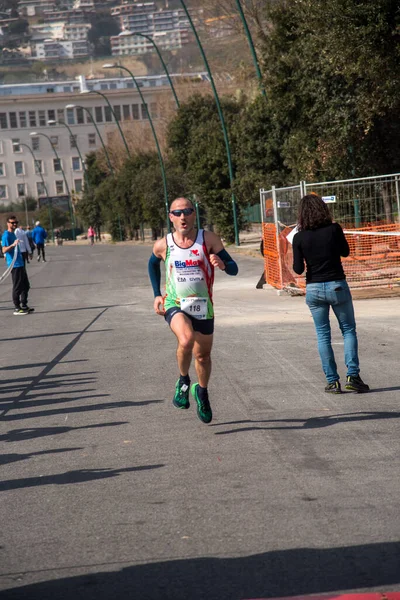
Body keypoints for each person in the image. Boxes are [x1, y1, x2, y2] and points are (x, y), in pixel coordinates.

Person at [148, 197, 239, 424]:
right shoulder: (163, 244)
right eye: (177, 213)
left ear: (193, 214)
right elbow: (152, 265)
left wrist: (222, 263)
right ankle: (183, 380)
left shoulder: (207, 239)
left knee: (202, 355)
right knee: (186, 339)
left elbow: (234, 269)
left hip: (203, 306)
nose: (183, 217)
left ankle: (202, 392)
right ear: (170, 217)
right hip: (175, 304)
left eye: (187, 211)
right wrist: (157, 294)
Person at [292, 194, 369, 394]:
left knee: (323, 336)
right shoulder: (334, 229)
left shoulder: (299, 237)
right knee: (348, 331)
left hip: (314, 289)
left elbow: (298, 269)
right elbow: (345, 252)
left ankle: (332, 381)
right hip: (337, 285)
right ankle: (353, 376)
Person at [1, 216, 34, 315]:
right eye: (12, 223)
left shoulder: (13, 234)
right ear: (8, 223)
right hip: (14, 264)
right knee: (17, 286)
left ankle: (24, 304)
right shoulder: (6, 235)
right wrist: (12, 245)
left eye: (16, 222)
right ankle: (17, 307)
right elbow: (4, 250)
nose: (14, 224)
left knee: (26, 285)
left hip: (20, 263)